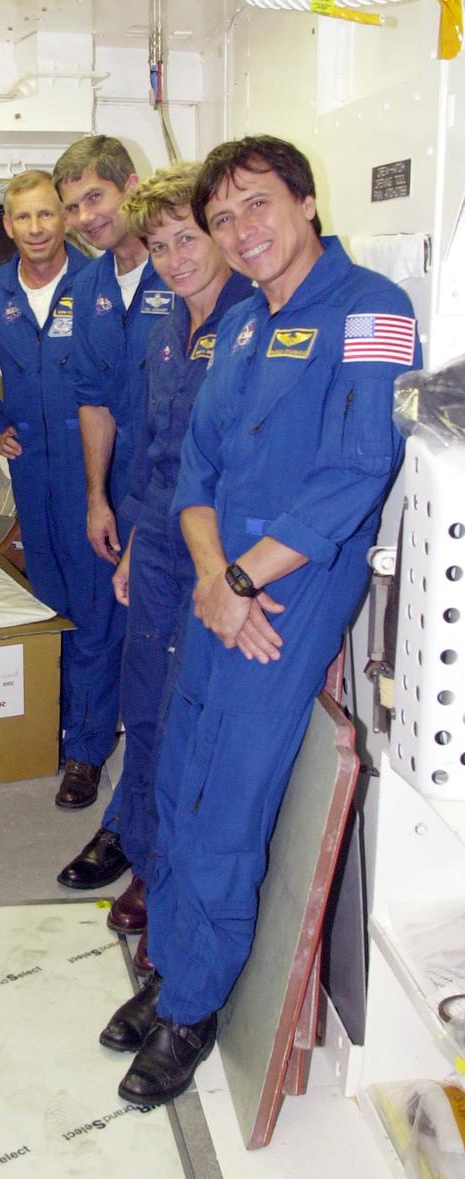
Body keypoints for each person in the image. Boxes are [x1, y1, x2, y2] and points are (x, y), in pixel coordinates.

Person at [111, 136, 420, 1107]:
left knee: (226, 800)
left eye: (256, 206)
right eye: (224, 217)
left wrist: (240, 580)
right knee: (173, 773)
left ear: (306, 200)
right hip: (223, 586)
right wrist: (212, 575)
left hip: (286, 593)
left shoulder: (374, 311)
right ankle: (169, 960)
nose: (241, 231)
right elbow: (196, 472)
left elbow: (359, 469)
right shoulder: (243, 327)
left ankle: (193, 1007)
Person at [94, 166, 253, 978]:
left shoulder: (254, 323)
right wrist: (131, 546)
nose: (173, 258)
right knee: (145, 713)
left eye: (186, 238)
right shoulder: (163, 324)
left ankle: (176, 891)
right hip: (156, 544)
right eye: (157, 245)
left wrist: (219, 570)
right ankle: (149, 867)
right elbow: (153, 446)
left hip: (217, 556)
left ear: (220, 235)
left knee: (195, 728)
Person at [0, 171, 125, 801]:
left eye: (48, 215)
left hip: (91, 470)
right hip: (32, 470)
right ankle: (52, 722)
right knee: (50, 601)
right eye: (23, 218)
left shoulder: (99, 284)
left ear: (65, 219)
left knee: (97, 609)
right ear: (7, 224)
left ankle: (86, 748)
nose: (36, 229)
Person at [50, 135, 167, 890]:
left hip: (178, 486)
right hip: (118, 484)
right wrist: (97, 496)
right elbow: (93, 399)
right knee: (100, 624)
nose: (86, 217)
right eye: (72, 207)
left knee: (154, 657)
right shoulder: (90, 286)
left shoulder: (185, 265)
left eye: (95, 198)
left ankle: (133, 822)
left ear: (131, 186)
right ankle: (88, 750)